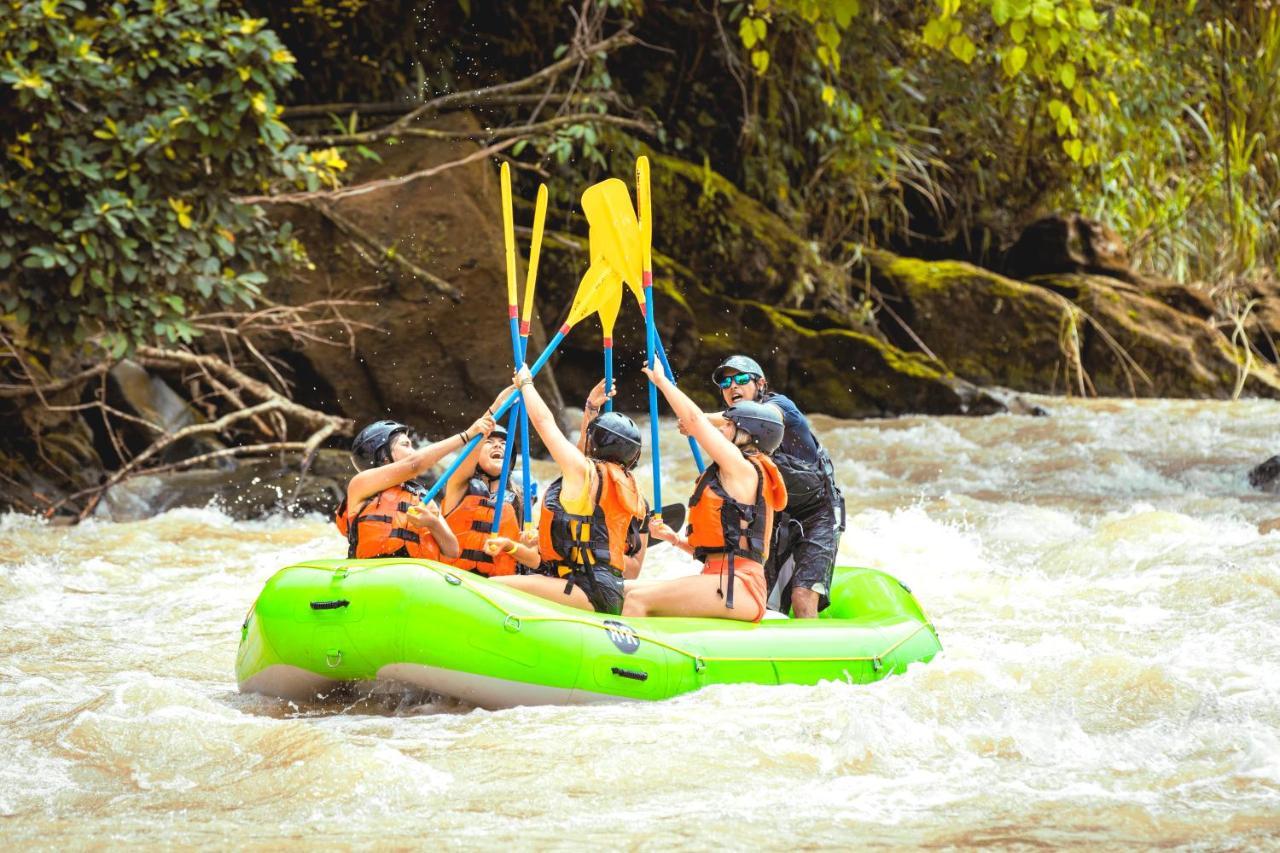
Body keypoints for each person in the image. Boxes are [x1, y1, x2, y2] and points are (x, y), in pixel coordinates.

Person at [626, 368, 788, 622]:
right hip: (722, 580)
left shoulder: (743, 468)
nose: (722, 430)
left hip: (739, 586)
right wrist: (675, 539)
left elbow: (694, 420)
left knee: (637, 600)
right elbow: (726, 547)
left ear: (747, 433)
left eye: (728, 425)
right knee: (621, 591)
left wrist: (661, 381)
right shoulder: (738, 470)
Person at [489, 369, 649, 614]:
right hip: (608, 586)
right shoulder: (629, 490)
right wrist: (590, 410)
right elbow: (582, 452)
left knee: (492, 588)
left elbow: (545, 424)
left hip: (584, 587)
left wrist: (527, 384)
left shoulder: (584, 474)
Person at [703, 355, 845, 618]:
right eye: (726, 383)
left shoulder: (780, 405)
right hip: (776, 516)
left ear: (761, 384)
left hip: (819, 513)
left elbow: (759, 417)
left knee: (802, 596)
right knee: (760, 597)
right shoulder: (732, 436)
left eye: (742, 379)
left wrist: (697, 420)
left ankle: (813, 654)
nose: (733, 386)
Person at [336, 391, 507, 561]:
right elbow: (414, 465)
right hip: (369, 572)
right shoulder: (361, 484)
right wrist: (465, 435)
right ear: (384, 456)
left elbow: (452, 551)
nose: (413, 451)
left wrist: (433, 523)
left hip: (412, 578)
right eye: (406, 445)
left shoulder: (421, 497)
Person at [440, 423, 541, 575]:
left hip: (494, 585)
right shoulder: (459, 485)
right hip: (453, 576)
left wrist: (509, 546)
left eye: (503, 444)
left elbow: (533, 560)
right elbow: (468, 454)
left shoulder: (520, 501)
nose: (498, 446)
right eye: (489, 442)